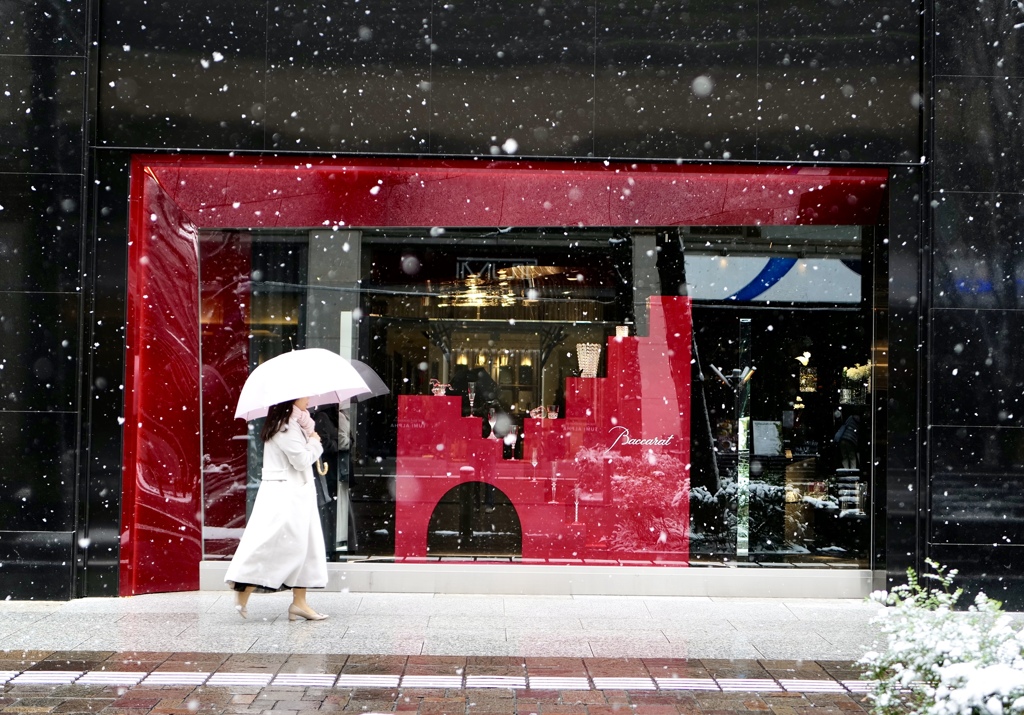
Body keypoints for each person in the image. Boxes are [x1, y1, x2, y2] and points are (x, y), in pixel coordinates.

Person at [225, 396, 329, 621]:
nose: (309, 399)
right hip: (286, 496)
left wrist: (310, 438)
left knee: (305, 548)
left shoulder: (297, 422)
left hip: (297, 495)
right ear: (293, 398)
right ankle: (244, 585)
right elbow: (300, 461)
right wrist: (315, 442)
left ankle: (299, 603)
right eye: (305, 395)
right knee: (278, 545)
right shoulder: (285, 426)